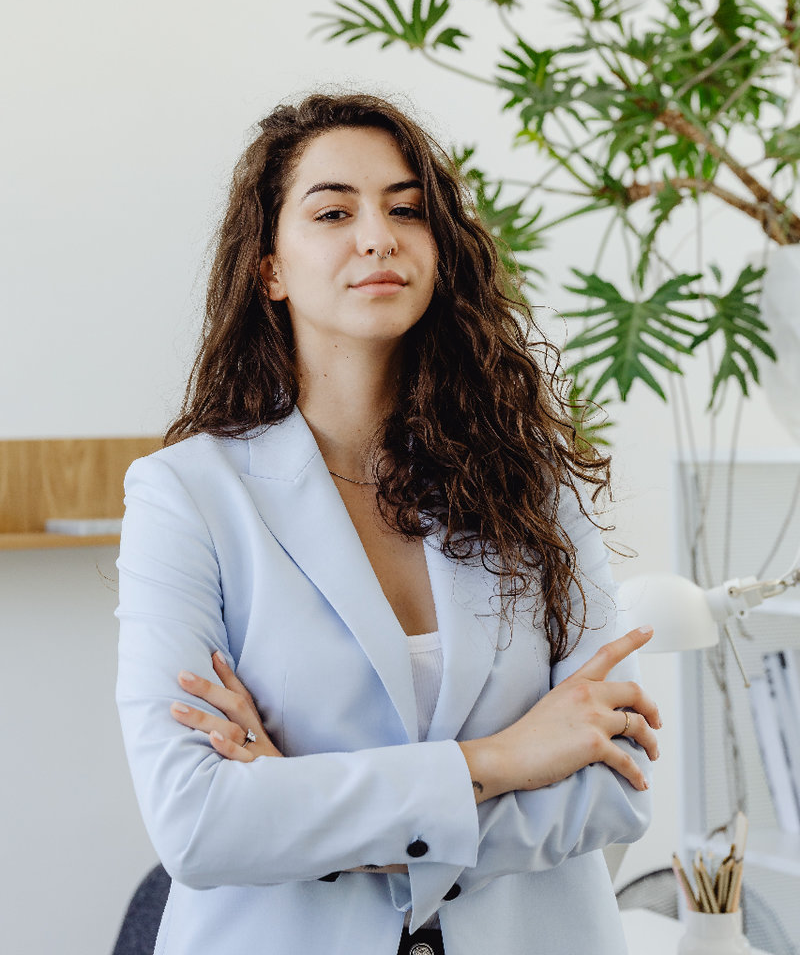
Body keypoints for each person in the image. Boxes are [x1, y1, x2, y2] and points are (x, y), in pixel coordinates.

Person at [115, 90, 660, 955]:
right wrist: (502, 762)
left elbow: (617, 786)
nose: (378, 235)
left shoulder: (529, 485)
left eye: (406, 209)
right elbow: (199, 822)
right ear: (270, 271)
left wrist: (305, 810)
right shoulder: (187, 496)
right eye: (334, 211)